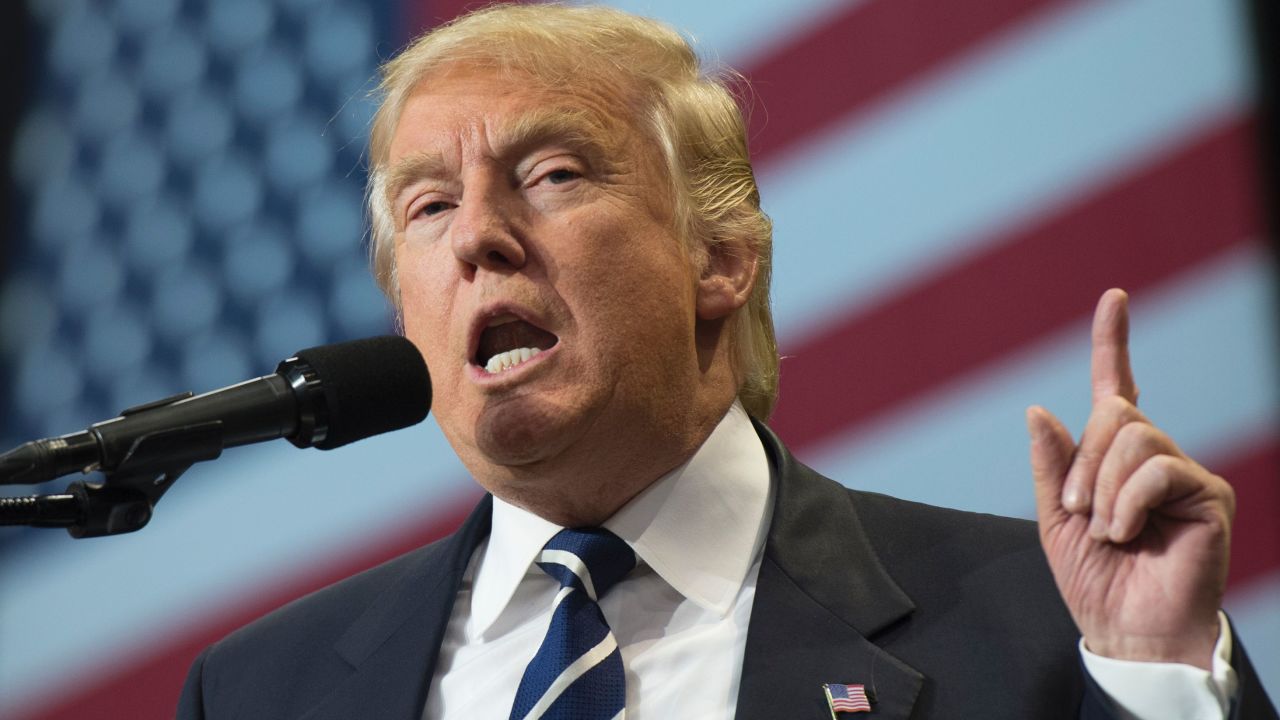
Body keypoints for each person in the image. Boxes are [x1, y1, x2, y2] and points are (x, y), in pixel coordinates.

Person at [178, 4, 1277, 719]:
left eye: (552, 174)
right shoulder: (260, 692)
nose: (476, 237)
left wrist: (1148, 671)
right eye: (428, 205)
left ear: (720, 260)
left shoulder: (1041, 631)